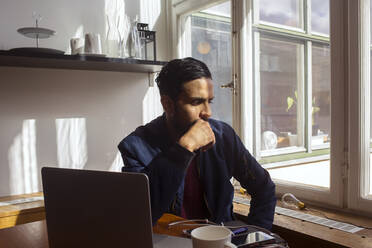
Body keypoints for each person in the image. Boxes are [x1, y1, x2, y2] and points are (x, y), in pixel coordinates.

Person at [118, 57, 276, 230]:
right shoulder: (135, 146)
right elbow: (142, 215)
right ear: (168, 105)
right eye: (196, 102)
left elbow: (264, 189)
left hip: (219, 241)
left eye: (210, 101)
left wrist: (257, 236)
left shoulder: (223, 137)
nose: (208, 112)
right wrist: (184, 149)